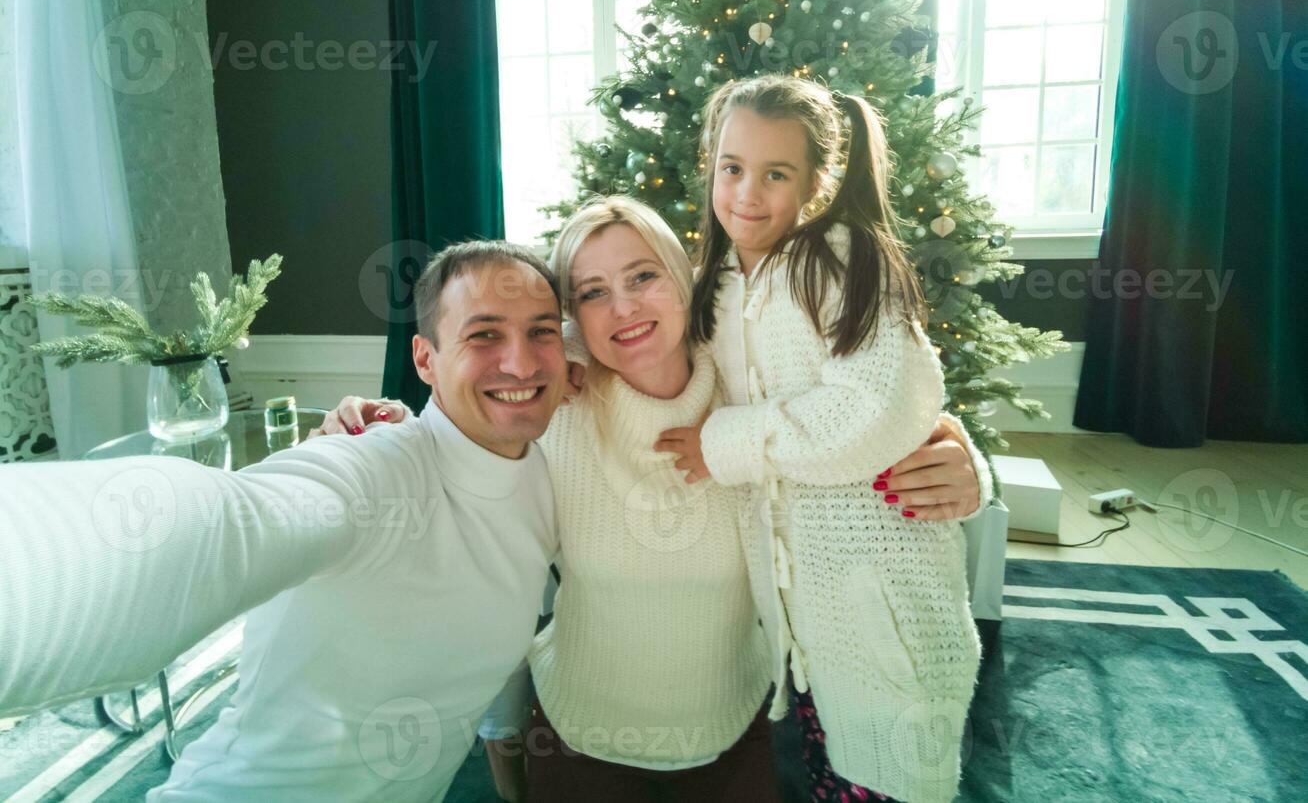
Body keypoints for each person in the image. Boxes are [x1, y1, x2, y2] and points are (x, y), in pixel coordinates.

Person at [323, 197, 991, 802]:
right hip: (581, 730)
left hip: (733, 725)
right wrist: (367, 429)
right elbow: (456, 438)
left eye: (642, 276)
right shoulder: (556, 403)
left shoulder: (752, 392)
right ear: (572, 315)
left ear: (682, 278)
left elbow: (873, 410)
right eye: (591, 292)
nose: (624, 308)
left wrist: (969, 466)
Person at [0, 241, 570, 801]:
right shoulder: (378, 467)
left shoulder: (545, 473)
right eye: (484, 334)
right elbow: (229, 524)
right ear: (425, 359)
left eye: (542, 331)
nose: (520, 361)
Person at [656, 74, 991, 803]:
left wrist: (723, 444)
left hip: (886, 594)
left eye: (776, 174)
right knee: (828, 760)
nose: (748, 192)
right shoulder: (712, 284)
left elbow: (875, 406)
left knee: (893, 768)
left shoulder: (840, 260)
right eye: (731, 168)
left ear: (814, 181)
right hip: (800, 618)